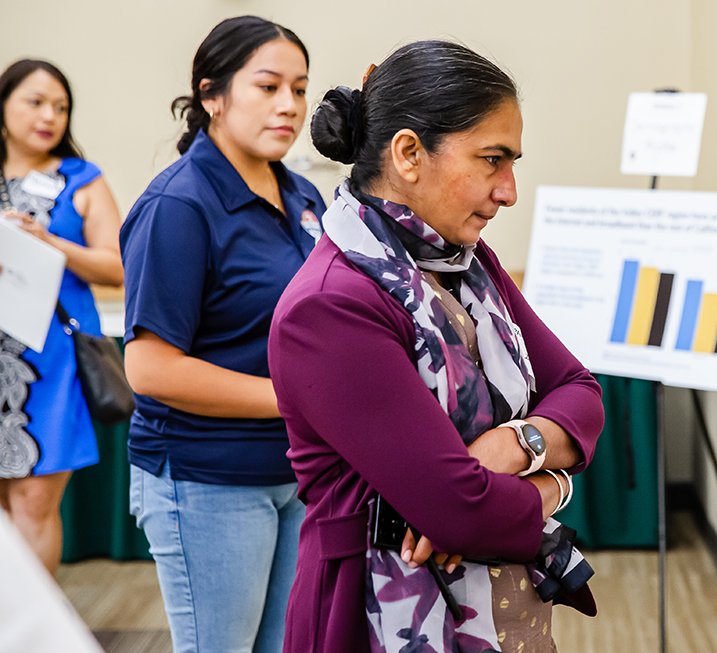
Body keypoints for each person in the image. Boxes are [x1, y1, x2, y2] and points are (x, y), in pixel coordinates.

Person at [267, 41, 605, 653]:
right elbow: (456, 510)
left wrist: (515, 444)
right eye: (491, 160)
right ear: (408, 154)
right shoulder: (331, 303)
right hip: (374, 615)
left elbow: (581, 394)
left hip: (501, 610)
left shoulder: (466, 266)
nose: (510, 190)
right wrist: (554, 486)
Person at [119, 16, 324, 653]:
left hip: (293, 470)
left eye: (299, 88)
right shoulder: (178, 206)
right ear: (212, 95)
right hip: (206, 478)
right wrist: (294, 400)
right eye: (267, 87)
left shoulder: (303, 195)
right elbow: (150, 369)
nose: (289, 105)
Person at [0, 59, 123, 575]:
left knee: (32, 500)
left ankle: (31, 634)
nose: (50, 115)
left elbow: (117, 267)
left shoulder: (81, 178)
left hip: (49, 365)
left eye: (61, 106)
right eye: (35, 101)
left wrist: (47, 241)